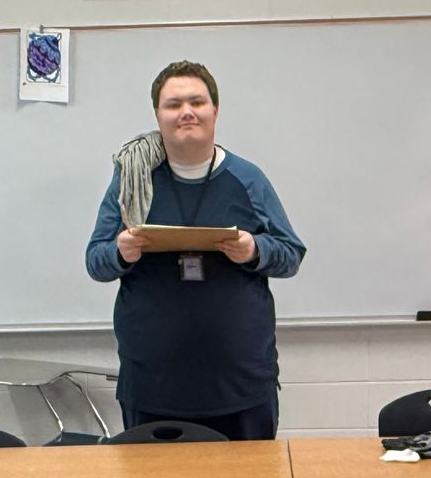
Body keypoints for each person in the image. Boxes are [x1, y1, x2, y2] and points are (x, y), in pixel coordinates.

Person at [85, 60, 306, 440]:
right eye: (173, 104)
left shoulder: (247, 178)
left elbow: (290, 254)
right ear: (158, 114)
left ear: (215, 110)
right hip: (153, 383)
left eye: (197, 102)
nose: (186, 112)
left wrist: (254, 249)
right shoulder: (133, 179)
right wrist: (122, 251)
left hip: (240, 384)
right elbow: (96, 261)